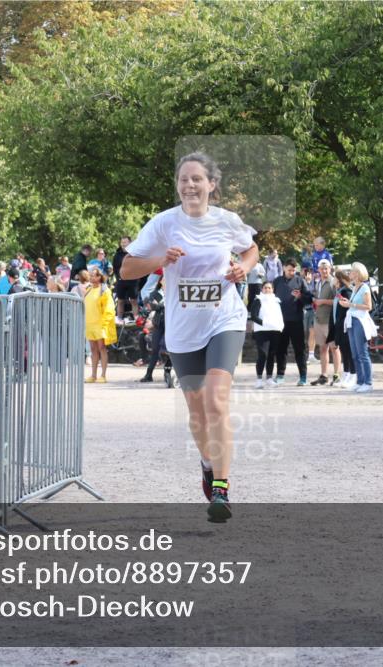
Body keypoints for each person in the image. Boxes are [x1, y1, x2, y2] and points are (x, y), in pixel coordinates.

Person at [120, 152, 258, 521]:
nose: (190, 185)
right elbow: (127, 267)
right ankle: (207, 463)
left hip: (222, 320)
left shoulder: (227, 221)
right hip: (183, 329)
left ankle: (222, 491)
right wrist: (161, 260)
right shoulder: (164, 224)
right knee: (197, 413)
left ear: (212, 184)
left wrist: (241, 268)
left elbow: (250, 248)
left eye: (197, 179)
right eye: (184, 179)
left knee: (216, 403)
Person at [272, 259, 313, 386]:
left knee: (299, 349)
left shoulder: (300, 280)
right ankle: (280, 375)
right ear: (284, 268)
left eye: (294, 270)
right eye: (289, 270)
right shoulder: (277, 281)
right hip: (280, 321)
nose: (292, 272)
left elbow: (309, 299)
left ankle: (303, 377)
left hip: (296, 320)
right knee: (280, 349)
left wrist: (301, 296)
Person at [338, 261, 377, 393]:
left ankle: (368, 382)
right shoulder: (355, 287)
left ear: (358, 273)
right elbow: (352, 304)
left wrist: (351, 305)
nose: (350, 273)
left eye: (352, 271)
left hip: (359, 321)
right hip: (351, 320)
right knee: (355, 354)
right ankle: (360, 381)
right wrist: (348, 304)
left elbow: (368, 307)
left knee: (362, 353)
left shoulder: (365, 288)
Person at [83, 267, 116, 383]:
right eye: (90, 275)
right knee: (93, 349)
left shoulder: (105, 290)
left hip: (100, 324)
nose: (91, 277)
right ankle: (93, 375)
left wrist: (105, 323)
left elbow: (109, 307)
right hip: (89, 323)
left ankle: (103, 375)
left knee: (102, 348)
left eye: (94, 275)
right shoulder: (88, 289)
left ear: (99, 277)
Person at [311, 259, 340, 386]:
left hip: (330, 320)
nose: (324, 271)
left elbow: (338, 300)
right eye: (322, 268)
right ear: (318, 270)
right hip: (319, 320)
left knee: (334, 347)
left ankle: (337, 374)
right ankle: (324, 375)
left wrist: (322, 301)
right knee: (323, 348)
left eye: (326, 268)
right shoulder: (318, 282)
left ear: (330, 268)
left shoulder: (334, 282)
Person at [249, 281, 284, 388]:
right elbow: (254, 316)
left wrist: (280, 325)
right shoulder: (258, 300)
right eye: (265, 288)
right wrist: (264, 323)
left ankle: (269, 378)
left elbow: (279, 315)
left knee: (271, 355)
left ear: (273, 289)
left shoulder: (276, 301)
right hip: (262, 331)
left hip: (275, 331)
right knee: (262, 354)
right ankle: (259, 379)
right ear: (262, 289)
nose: (267, 290)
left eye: (269, 288)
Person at [331, 269, 356, 388]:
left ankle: (353, 375)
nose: (333, 280)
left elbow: (349, 307)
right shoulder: (338, 291)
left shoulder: (346, 291)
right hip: (339, 325)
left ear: (339, 279)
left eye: (335, 277)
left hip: (346, 324)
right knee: (344, 351)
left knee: (349, 351)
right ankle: (346, 374)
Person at [113, 237, 138, 322]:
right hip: (121, 281)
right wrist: (118, 277)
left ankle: (136, 318)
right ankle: (119, 318)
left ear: (130, 243)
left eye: (125, 242)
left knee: (134, 300)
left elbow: (138, 267)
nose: (123, 244)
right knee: (120, 300)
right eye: (122, 242)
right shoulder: (117, 254)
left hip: (133, 280)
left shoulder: (134, 253)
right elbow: (115, 268)